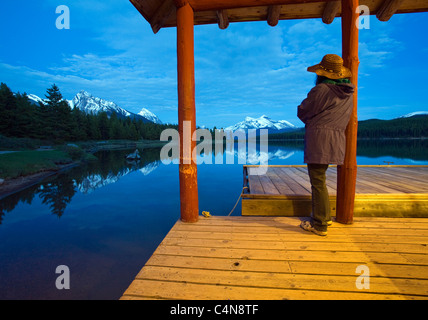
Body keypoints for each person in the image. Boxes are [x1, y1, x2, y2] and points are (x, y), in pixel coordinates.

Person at [297, 54, 355, 236]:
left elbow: (303, 111)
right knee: (321, 179)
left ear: (322, 73)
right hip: (336, 140)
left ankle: (320, 224)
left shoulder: (321, 90)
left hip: (319, 140)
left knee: (318, 181)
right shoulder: (348, 93)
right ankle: (324, 217)